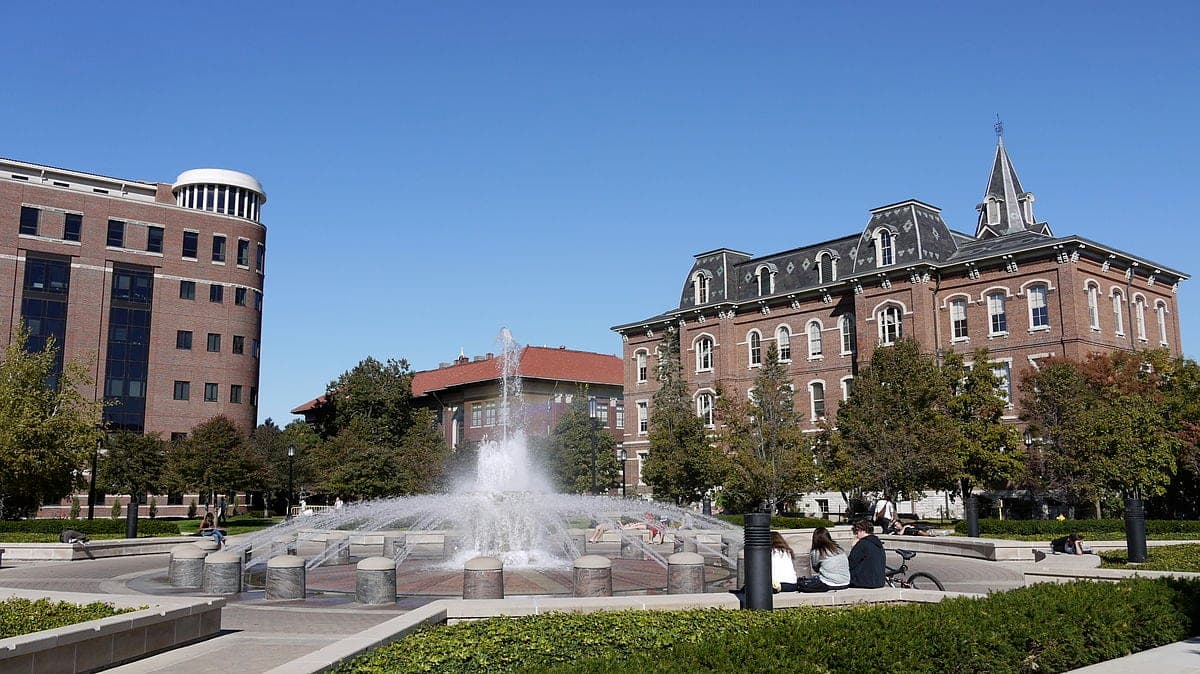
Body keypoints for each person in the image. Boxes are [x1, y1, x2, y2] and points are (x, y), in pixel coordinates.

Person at [797, 527, 850, 592]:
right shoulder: (839, 549)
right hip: (846, 582)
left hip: (829, 583)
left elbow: (815, 568)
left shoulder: (817, 551)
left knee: (803, 583)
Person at [848, 519, 886, 588]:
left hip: (864, 582)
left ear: (861, 530)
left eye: (856, 532)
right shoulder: (877, 543)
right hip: (879, 581)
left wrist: (853, 547)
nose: (855, 535)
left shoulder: (862, 544)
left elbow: (851, 563)